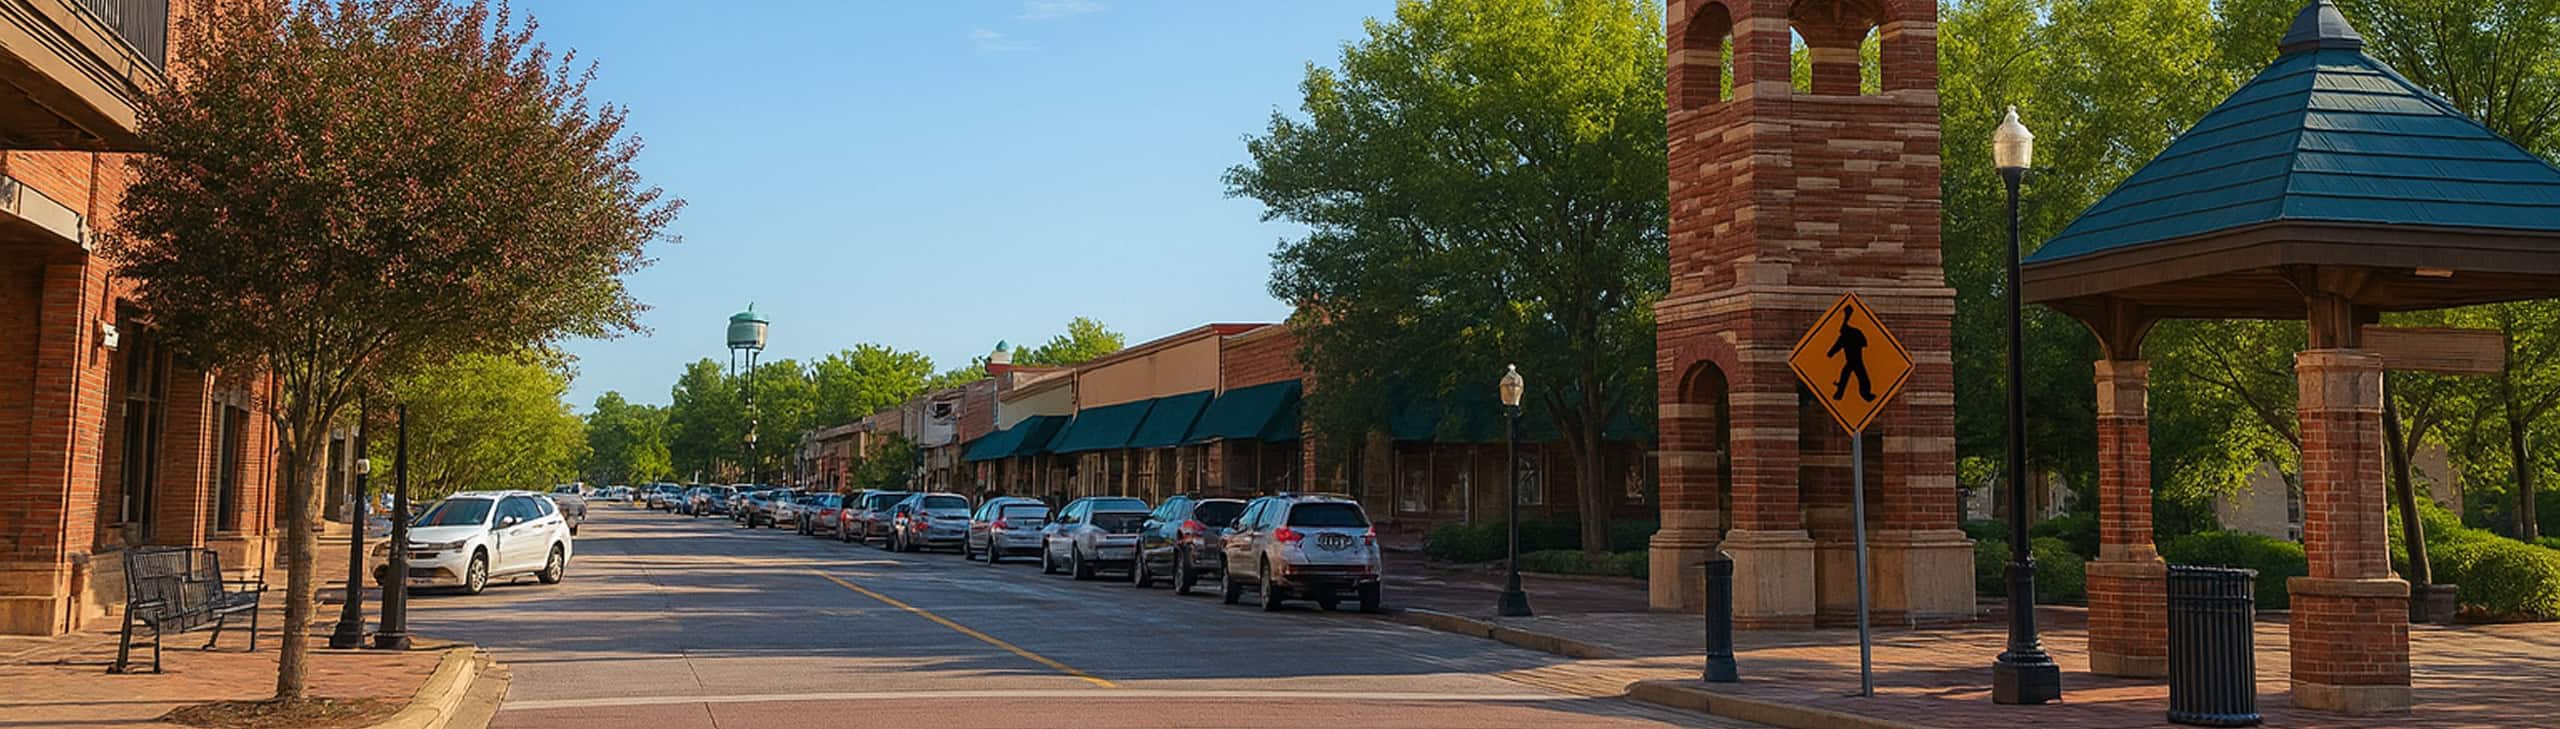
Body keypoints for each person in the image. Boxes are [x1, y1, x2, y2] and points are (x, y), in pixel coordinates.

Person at [1827, 306, 1876, 402]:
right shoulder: (1851, 333)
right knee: (1857, 377)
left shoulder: (1851, 334)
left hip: (1855, 359)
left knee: (1855, 377)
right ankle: (1842, 394)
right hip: (1854, 360)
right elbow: (1837, 346)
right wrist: (1830, 353)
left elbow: (1838, 346)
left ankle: (1842, 394)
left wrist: (1831, 353)